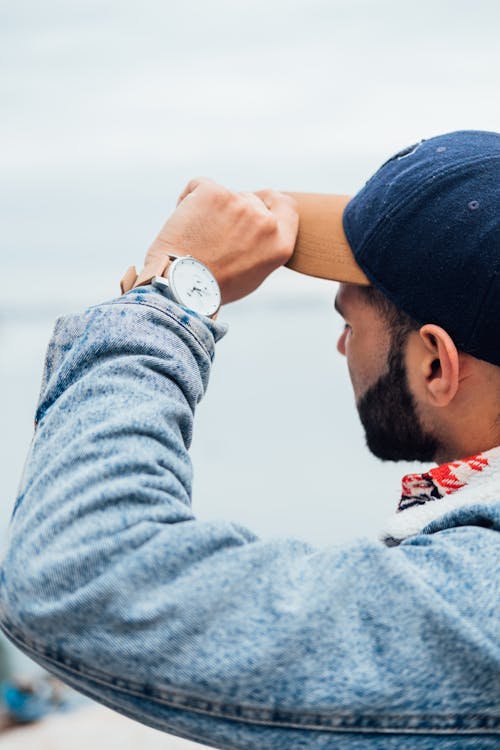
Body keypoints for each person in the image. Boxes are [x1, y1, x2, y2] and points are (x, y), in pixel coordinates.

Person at [0, 130, 498, 749]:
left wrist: (169, 304)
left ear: (436, 366)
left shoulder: (481, 607)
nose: (341, 346)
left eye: (347, 320)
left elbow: (80, 576)